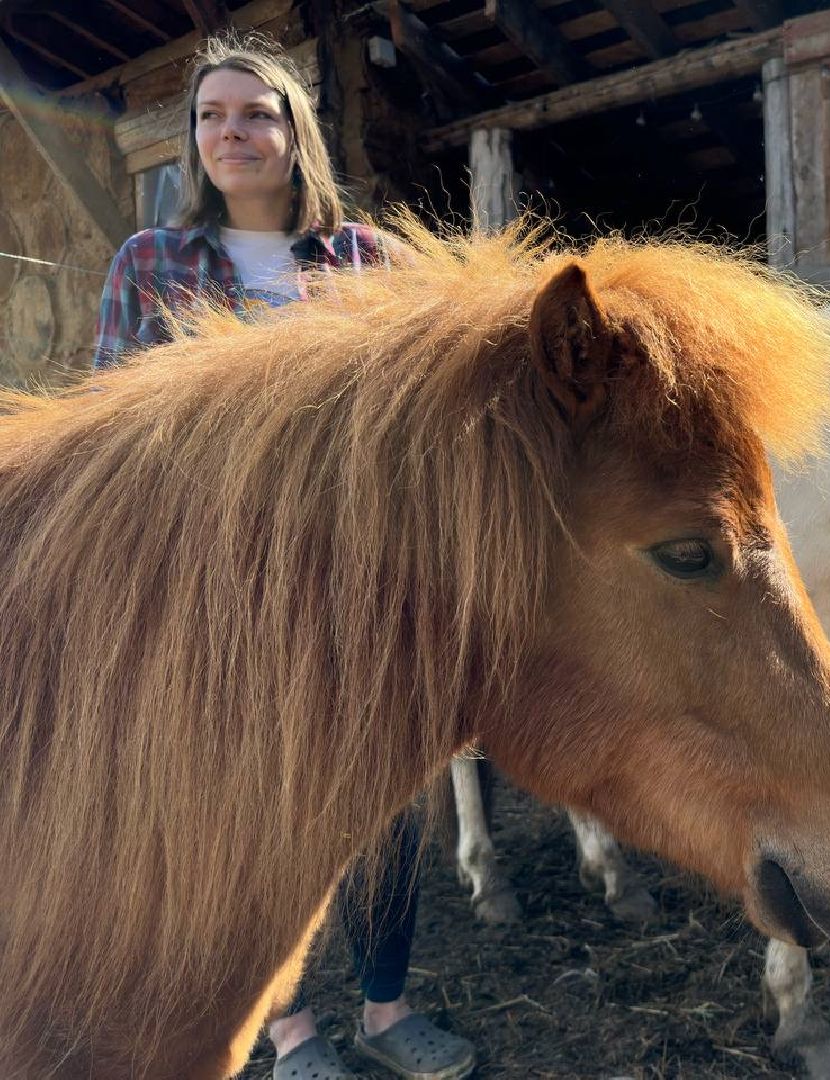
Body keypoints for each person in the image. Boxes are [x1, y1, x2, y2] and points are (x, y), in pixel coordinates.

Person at [92, 32, 476, 1080]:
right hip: (215, 585)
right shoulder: (151, 265)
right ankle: (289, 1029)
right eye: (211, 117)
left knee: (387, 809)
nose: (232, 133)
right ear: (192, 143)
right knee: (255, 815)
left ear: (295, 131)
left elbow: (426, 429)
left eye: (254, 113)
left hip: (362, 577)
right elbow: (110, 430)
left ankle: (387, 1011)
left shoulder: (372, 263)